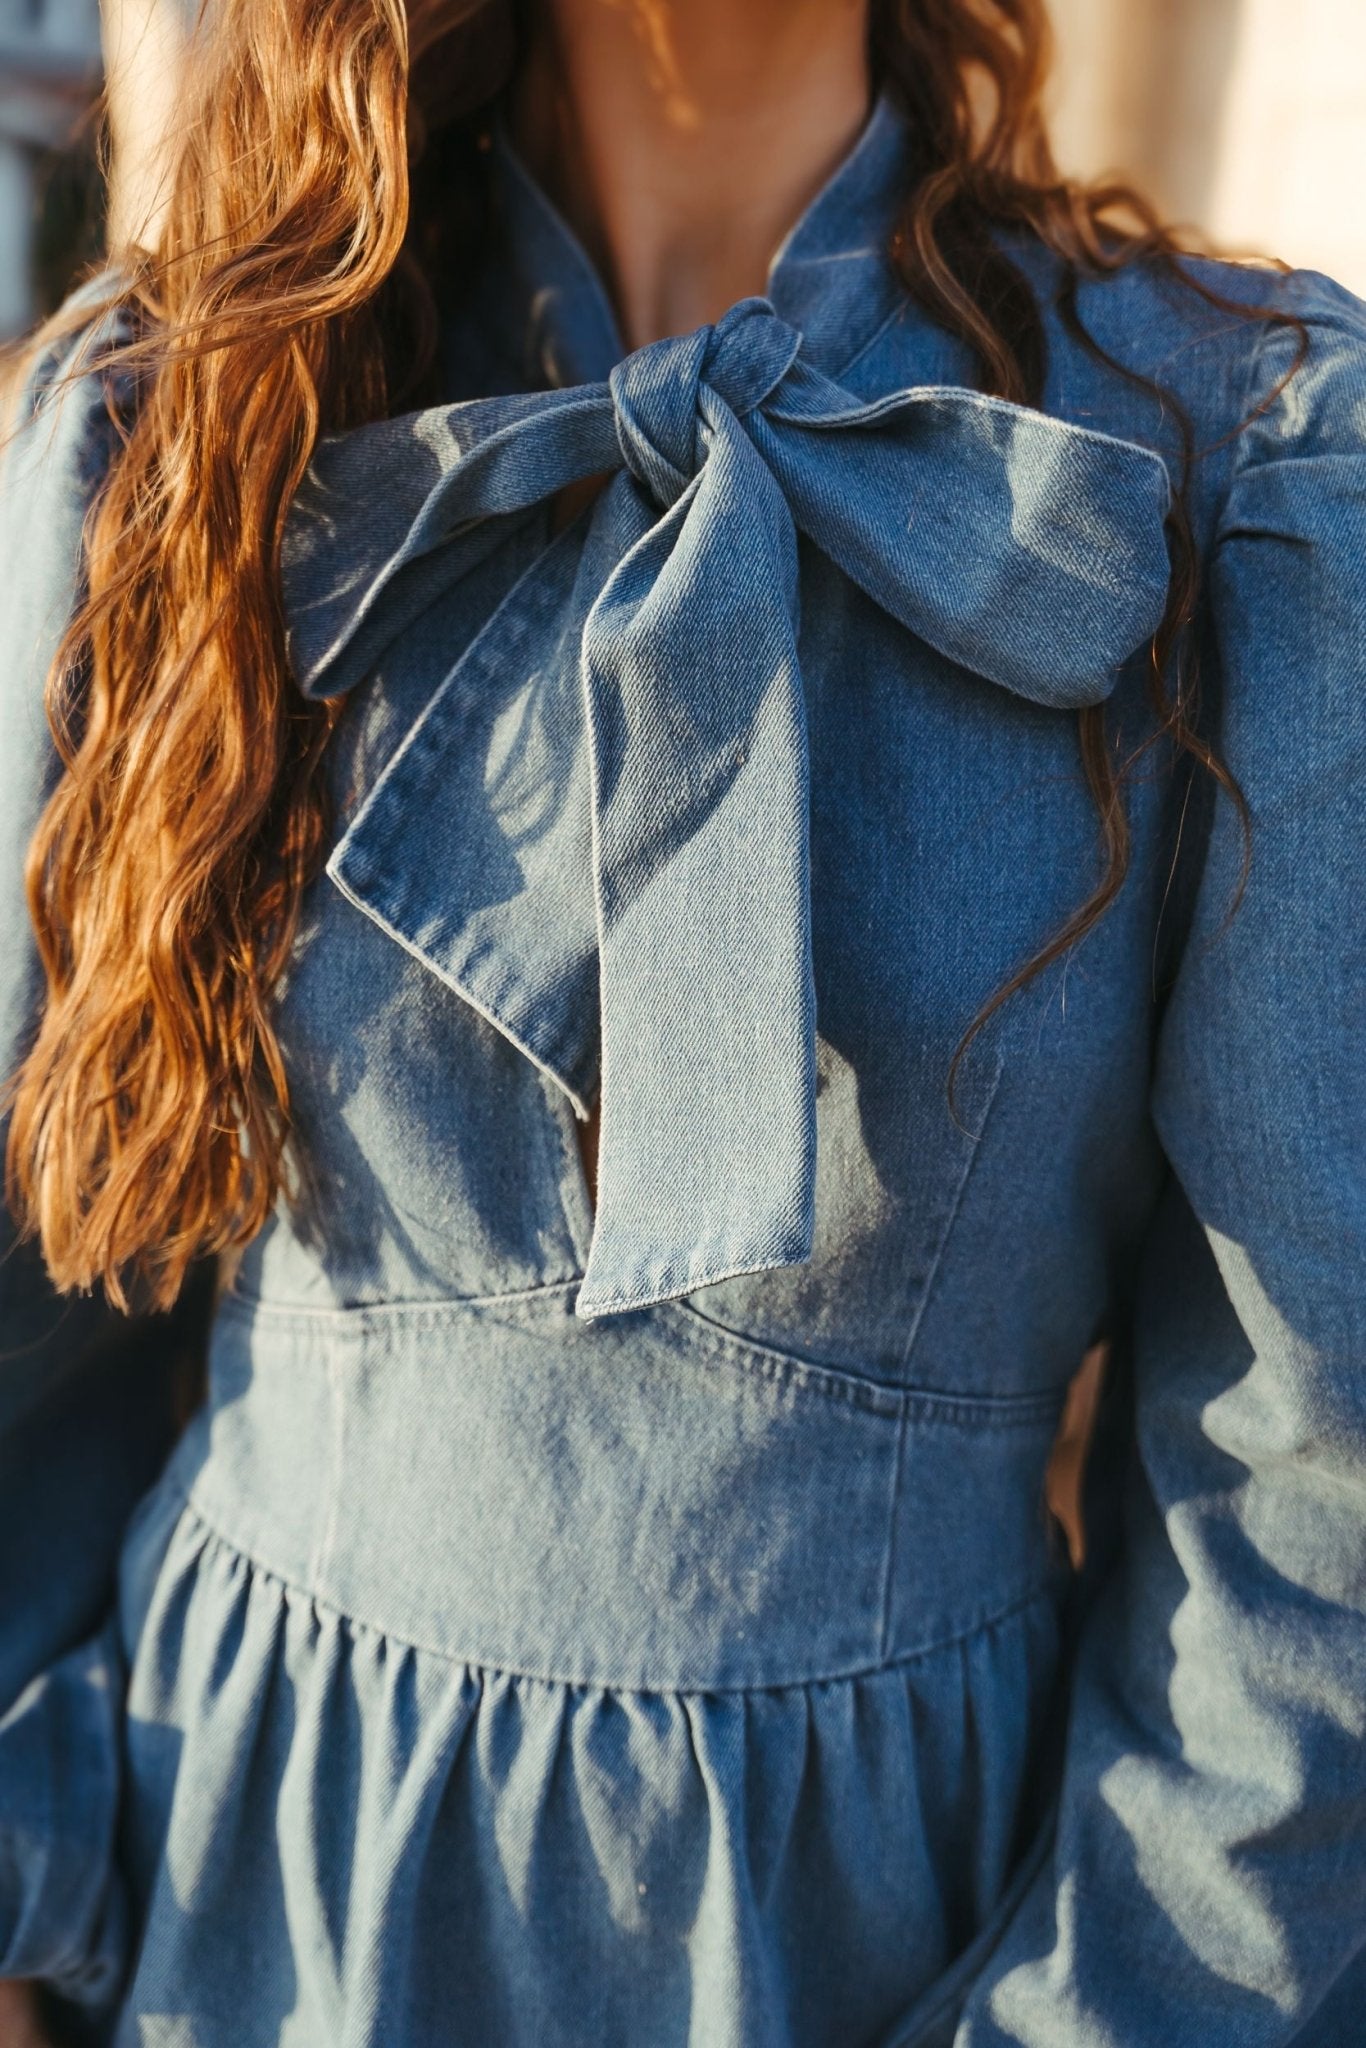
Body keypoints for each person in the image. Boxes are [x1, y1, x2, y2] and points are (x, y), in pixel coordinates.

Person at [1, 1, 1364, 2042]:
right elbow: (40, 1286)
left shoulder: (1227, 466)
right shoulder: (184, 406)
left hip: (877, 1950)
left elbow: (1305, 1487)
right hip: (229, 1908)